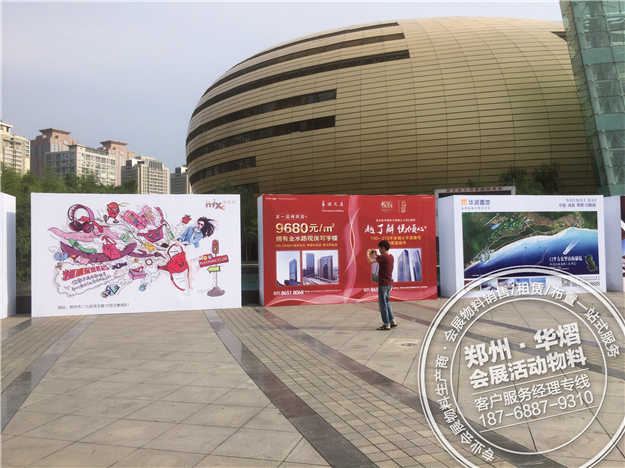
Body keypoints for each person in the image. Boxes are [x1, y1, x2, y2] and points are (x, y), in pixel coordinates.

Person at [367, 240, 398, 330]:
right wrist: (376, 254)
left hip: (383, 284)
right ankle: (393, 321)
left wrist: (367, 253)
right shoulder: (390, 257)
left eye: (380, 248)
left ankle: (386, 324)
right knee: (387, 303)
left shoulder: (383, 257)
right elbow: (381, 258)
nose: (379, 250)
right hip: (389, 284)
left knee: (383, 305)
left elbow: (370, 261)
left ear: (383, 248)